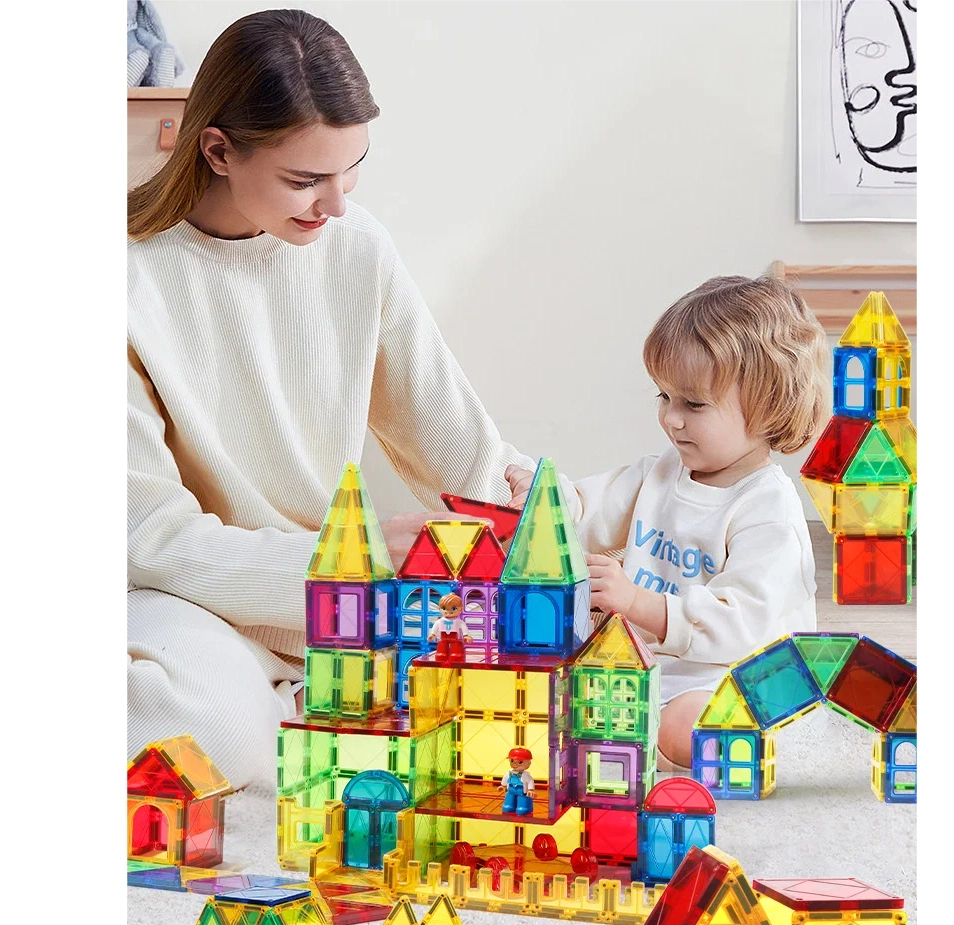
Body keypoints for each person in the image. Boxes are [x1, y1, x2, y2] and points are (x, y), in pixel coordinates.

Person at [127, 9, 532, 789]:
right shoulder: (126, 278)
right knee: (213, 734)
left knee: (519, 698)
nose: (336, 205)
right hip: (188, 598)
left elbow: (458, 445)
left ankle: (294, 700)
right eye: (305, 180)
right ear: (218, 150)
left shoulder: (356, 246)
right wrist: (357, 556)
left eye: (352, 171)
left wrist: (535, 527)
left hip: (337, 601)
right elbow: (153, 542)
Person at [507, 276, 830, 766]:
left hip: (737, 678)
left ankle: (755, 751)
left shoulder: (769, 511)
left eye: (693, 404)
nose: (671, 419)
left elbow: (739, 623)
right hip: (648, 670)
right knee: (543, 697)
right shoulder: (659, 473)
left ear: (769, 408)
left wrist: (638, 602)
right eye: (664, 396)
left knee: (685, 728)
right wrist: (543, 498)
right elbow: (587, 510)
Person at [428, 593, 472, 663]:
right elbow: (435, 626)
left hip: (454, 637)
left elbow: (463, 627)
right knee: (441, 646)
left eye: (453, 608)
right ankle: (441, 655)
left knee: (456, 646)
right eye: (444, 608)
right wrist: (433, 634)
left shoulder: (458, 621)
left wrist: (466, 635)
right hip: (443, 637)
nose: (448, 611)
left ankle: (456, 655)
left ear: (461, 609)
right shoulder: (440, 621)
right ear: (439, 609)